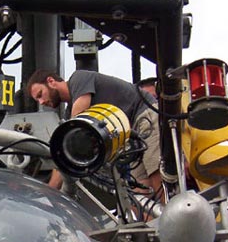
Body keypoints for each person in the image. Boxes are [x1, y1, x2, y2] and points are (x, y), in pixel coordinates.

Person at [27, 69, 162, 196]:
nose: (42, 102)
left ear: (51, 81)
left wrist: (66, 144)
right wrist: (51, 191)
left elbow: (78, 121)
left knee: (156, 173)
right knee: (139, 193)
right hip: (131, 138)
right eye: (38, 100)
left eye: (40, 94)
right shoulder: (70, 114)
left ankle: (171, 216)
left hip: (145, 116)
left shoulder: (78, 78)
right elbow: (64, 156)